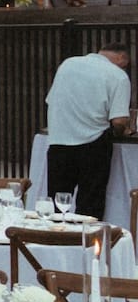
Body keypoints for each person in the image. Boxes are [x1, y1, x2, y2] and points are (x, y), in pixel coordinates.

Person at [45, 42, 133, 220]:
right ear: (122, 57)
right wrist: (123, 131)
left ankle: (55, 241)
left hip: (59, 142)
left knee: (57, 203)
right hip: (93, 144)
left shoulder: (68, 64)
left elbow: (51, 101)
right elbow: (119, 121)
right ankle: (86, 244)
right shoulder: (118, 76)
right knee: (90, 205)